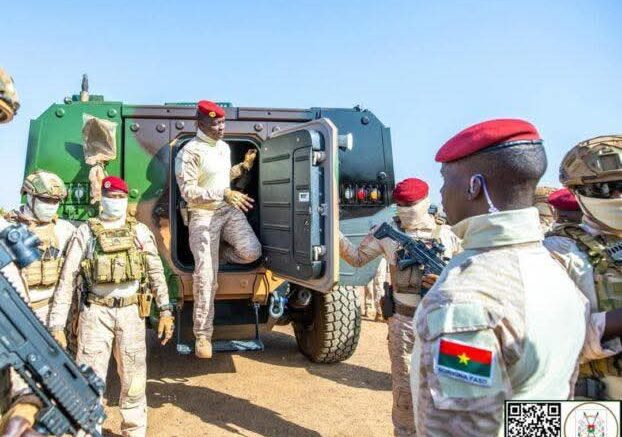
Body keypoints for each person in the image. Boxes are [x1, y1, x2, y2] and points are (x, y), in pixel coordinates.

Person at [412, 119, 589, 436]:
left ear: (474, 186)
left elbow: (463, 429)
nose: (440, 192)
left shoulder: (464, 302)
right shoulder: (556, 271)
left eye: (445, 179)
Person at [48, 176, 174, 437]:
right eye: (110, 197)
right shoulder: (86, 232)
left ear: (126, 199)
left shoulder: (140, 232)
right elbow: (67, 280)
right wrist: (57, 325)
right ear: (102, 199)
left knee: (134, 382)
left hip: (131, 314)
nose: (115, 201)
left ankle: (134, 431)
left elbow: (156, 273)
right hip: (96, 313)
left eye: (120, 197)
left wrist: (165, 310)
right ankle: (87, 429)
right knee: (88, 381)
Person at [340, 178, 461, 437]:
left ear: (425, 202)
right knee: (404, 391)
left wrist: (448, 280)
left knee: (444, 389)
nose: (406, 210)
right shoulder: (387, 234)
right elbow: (357, 258)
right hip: (404, 323)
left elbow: (472, 275)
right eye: (401, 205)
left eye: (411, 205)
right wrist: (334, 235)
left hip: (442, 324)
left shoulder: (449, 235)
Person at [174, 100, 262, 359]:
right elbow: (189, 191)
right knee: (205, 276)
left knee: (252, 251)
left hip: (227, 209)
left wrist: (242, 168)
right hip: (203, 213)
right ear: (200, 123)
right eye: (215, 123)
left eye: (223, 122)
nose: (221, 128)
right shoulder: (189, 152)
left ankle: (221, 254)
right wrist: (223, 193)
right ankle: (203, 335)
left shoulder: (223, 147)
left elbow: (221, 176)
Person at [544, 135, 622, 400]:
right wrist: (614, 322)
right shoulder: (557, 251)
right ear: (579, 193)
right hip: (594, 403)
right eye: (605, 188)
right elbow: (544, 341)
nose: (618, 196)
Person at [363, 257, 387, 322]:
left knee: (377, 284)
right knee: (370, 285)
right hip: (369, 256)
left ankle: (377, 311)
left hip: (378, 257)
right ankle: (373, 310)